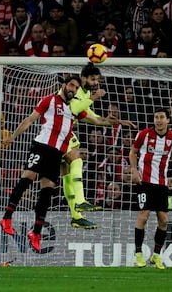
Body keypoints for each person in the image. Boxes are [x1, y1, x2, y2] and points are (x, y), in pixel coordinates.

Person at [0, 76, 118, 251]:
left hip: (56, 153)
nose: (73, 89)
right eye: (71, 85)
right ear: (64, 85)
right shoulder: (49, 100)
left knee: (47, 192)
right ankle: (7, 217)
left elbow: (99, 121)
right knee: (27, 179)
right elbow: (30, 120)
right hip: (41, 146)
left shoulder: (74, 109)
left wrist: (116, 121)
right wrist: (12, 137)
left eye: (76, 87)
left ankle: (36, 232)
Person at [61, 63, 135, 229]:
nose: (95, 82)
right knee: (77, 161)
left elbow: (94, 118)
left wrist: (117, 121)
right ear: (84, 78)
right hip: (57, 132)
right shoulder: (77, 91)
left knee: (66, 174)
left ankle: (76, 216)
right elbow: (73, 109)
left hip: (62, 133)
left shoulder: (85, 94)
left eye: (97, 80)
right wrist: (94, 98)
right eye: (93, 79)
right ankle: (80, 202)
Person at [130, 108, 172, 269]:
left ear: (167, 120)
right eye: (156, 117)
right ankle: (138, 255)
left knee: (163, 219)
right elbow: (133, 152)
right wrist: (135, 171)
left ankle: (156, 256)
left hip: (162, 183)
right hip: (144, 182)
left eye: (162, 117)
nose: (158, 120)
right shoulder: (144, 134)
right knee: (143, 216)